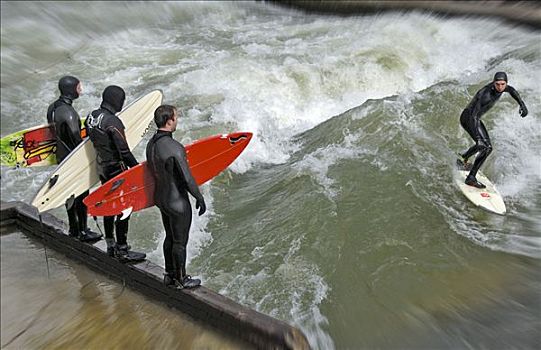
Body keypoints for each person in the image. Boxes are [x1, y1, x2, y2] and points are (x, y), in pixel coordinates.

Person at [146, 105, 206, 289]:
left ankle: (169, 275)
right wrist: (199, 197)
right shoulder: (174, 147)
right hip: (177, 201)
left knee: (170, 237)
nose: (177, 120)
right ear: (169, 120)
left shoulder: (152, 144)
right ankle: (181, 279)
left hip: (161, 198)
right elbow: (187, 178)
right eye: (176, 117)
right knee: (180, 242)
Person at [85, 85, 145, 262]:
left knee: (109, 206)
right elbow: (124, 151)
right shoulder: (113, 122)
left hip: (101, 167)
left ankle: (110, 244)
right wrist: (137, 169)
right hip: (116, 171)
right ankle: (122, 249)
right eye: (122, 100)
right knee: (124, 208)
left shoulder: (91, 117)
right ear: (116, 101)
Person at [47, 76, 102, 242]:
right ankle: (83, 231)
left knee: (69, 195)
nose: (81, 90)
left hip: (60, 158)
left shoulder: (52, 107)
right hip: (73, 158)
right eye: (79, 87)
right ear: (72, 89)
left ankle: (73, 228)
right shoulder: (69, 113)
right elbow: (76, 138)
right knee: (81, 194)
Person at [458, 71, 528, 188]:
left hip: (476, 118)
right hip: (469, 118)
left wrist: (522, 104)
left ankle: (464, 158)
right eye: (497, 84)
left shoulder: (503, 87)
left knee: (486, 147)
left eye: (502, 84)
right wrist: (479, 139)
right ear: (493, 83)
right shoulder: (485, 94)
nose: (500, 87)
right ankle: (471, 178)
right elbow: (473, 115)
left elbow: (511, 90)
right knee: (485, 147)